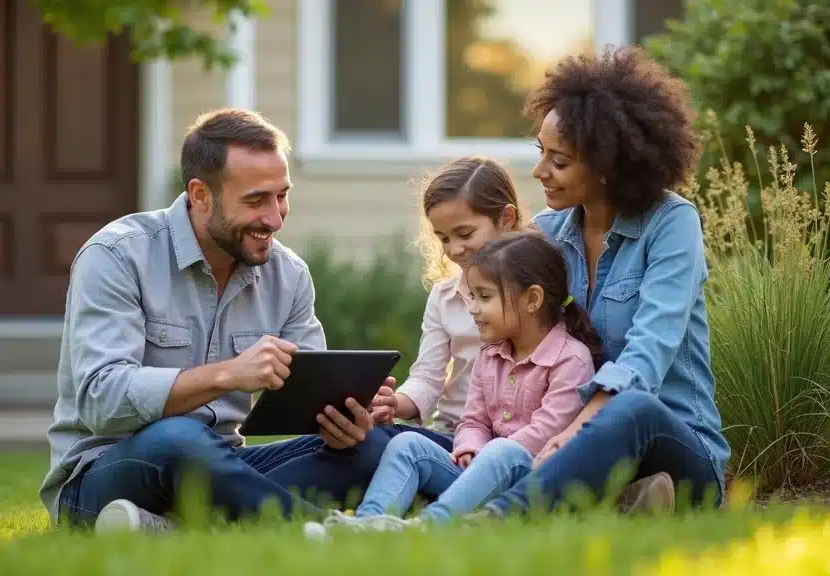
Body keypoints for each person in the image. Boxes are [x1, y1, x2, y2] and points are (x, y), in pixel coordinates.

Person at [38, 108, 397, 534]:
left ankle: (175, 528)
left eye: (282, 195)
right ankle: (325, 532)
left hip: (223, 466)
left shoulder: (290, 275)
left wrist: (347, 416)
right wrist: (228, 374)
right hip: (107, 474)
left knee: (374, 448)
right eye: (255, 200)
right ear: (200, 194)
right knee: (177, 439)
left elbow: (309, 396)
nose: (275, 217)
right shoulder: (117, 256)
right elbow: (102, 399)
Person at [477, 45, 731, 518]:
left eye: (559, 160)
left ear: (607, 165)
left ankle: (495, 519)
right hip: (577, 451)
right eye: (540, 153)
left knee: (630, 408)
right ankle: (622, 502)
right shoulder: (548, 236)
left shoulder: (672, 224)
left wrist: (576, 432)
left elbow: (650, 350)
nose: (539, 172)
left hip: (675, 445)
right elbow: (500, 319)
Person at [304, 232, 602, 537]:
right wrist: (470, 447)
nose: (473, 308)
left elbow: (546, 433)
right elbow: (474, 420)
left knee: (503, 451)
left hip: (536, 482)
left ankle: (427, 528)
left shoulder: (570, 360)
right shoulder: (490, 355)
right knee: (408, 445)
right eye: (473, 296)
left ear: (532, 300)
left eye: (484, 297)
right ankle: (369, 523)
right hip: (483, 470)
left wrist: (487, 455)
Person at [366, 156, 523, 452]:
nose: (455, 249)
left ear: (506, 219)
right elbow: (427, 377)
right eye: (443, 239)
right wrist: (394, 404)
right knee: (370, 440)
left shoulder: (533, 291)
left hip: (513, 438)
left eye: (465, 234)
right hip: (451, 434)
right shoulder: (445, 297)